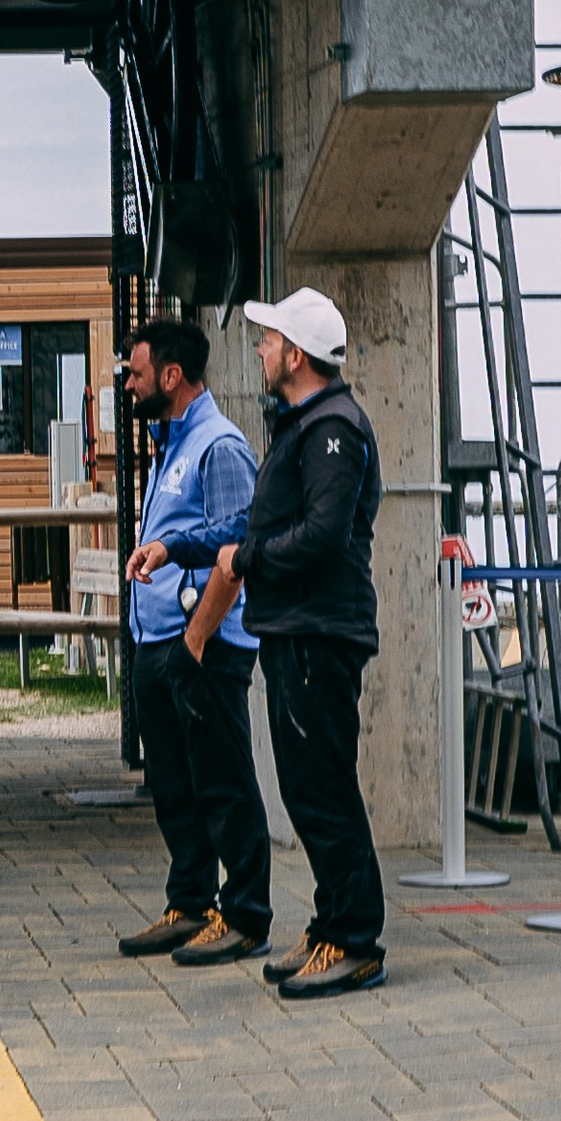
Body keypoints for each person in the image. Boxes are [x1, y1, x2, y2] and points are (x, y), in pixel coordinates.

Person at [211, 284, 386, 1002]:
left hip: (320, 633)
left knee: (323, 789)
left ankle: (356, 941)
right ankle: (329, 925)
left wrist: (247, 561)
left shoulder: (332, 428)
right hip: (296, 631)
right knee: (307, 788)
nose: (259, 348)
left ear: (296, 355)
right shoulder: (305, 423)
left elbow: (322, 534)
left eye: (270, 339)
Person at [114, 318, 272, 969]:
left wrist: (197, 639)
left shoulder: (219, 446)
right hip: (158, 641)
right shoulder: (169, 443)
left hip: (205, 645)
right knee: (175, 786)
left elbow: (238, 546)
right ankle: (190, 904)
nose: (128, 383)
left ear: (172, 375)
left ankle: (246, 915)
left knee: (223, 782)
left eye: (137, 373)